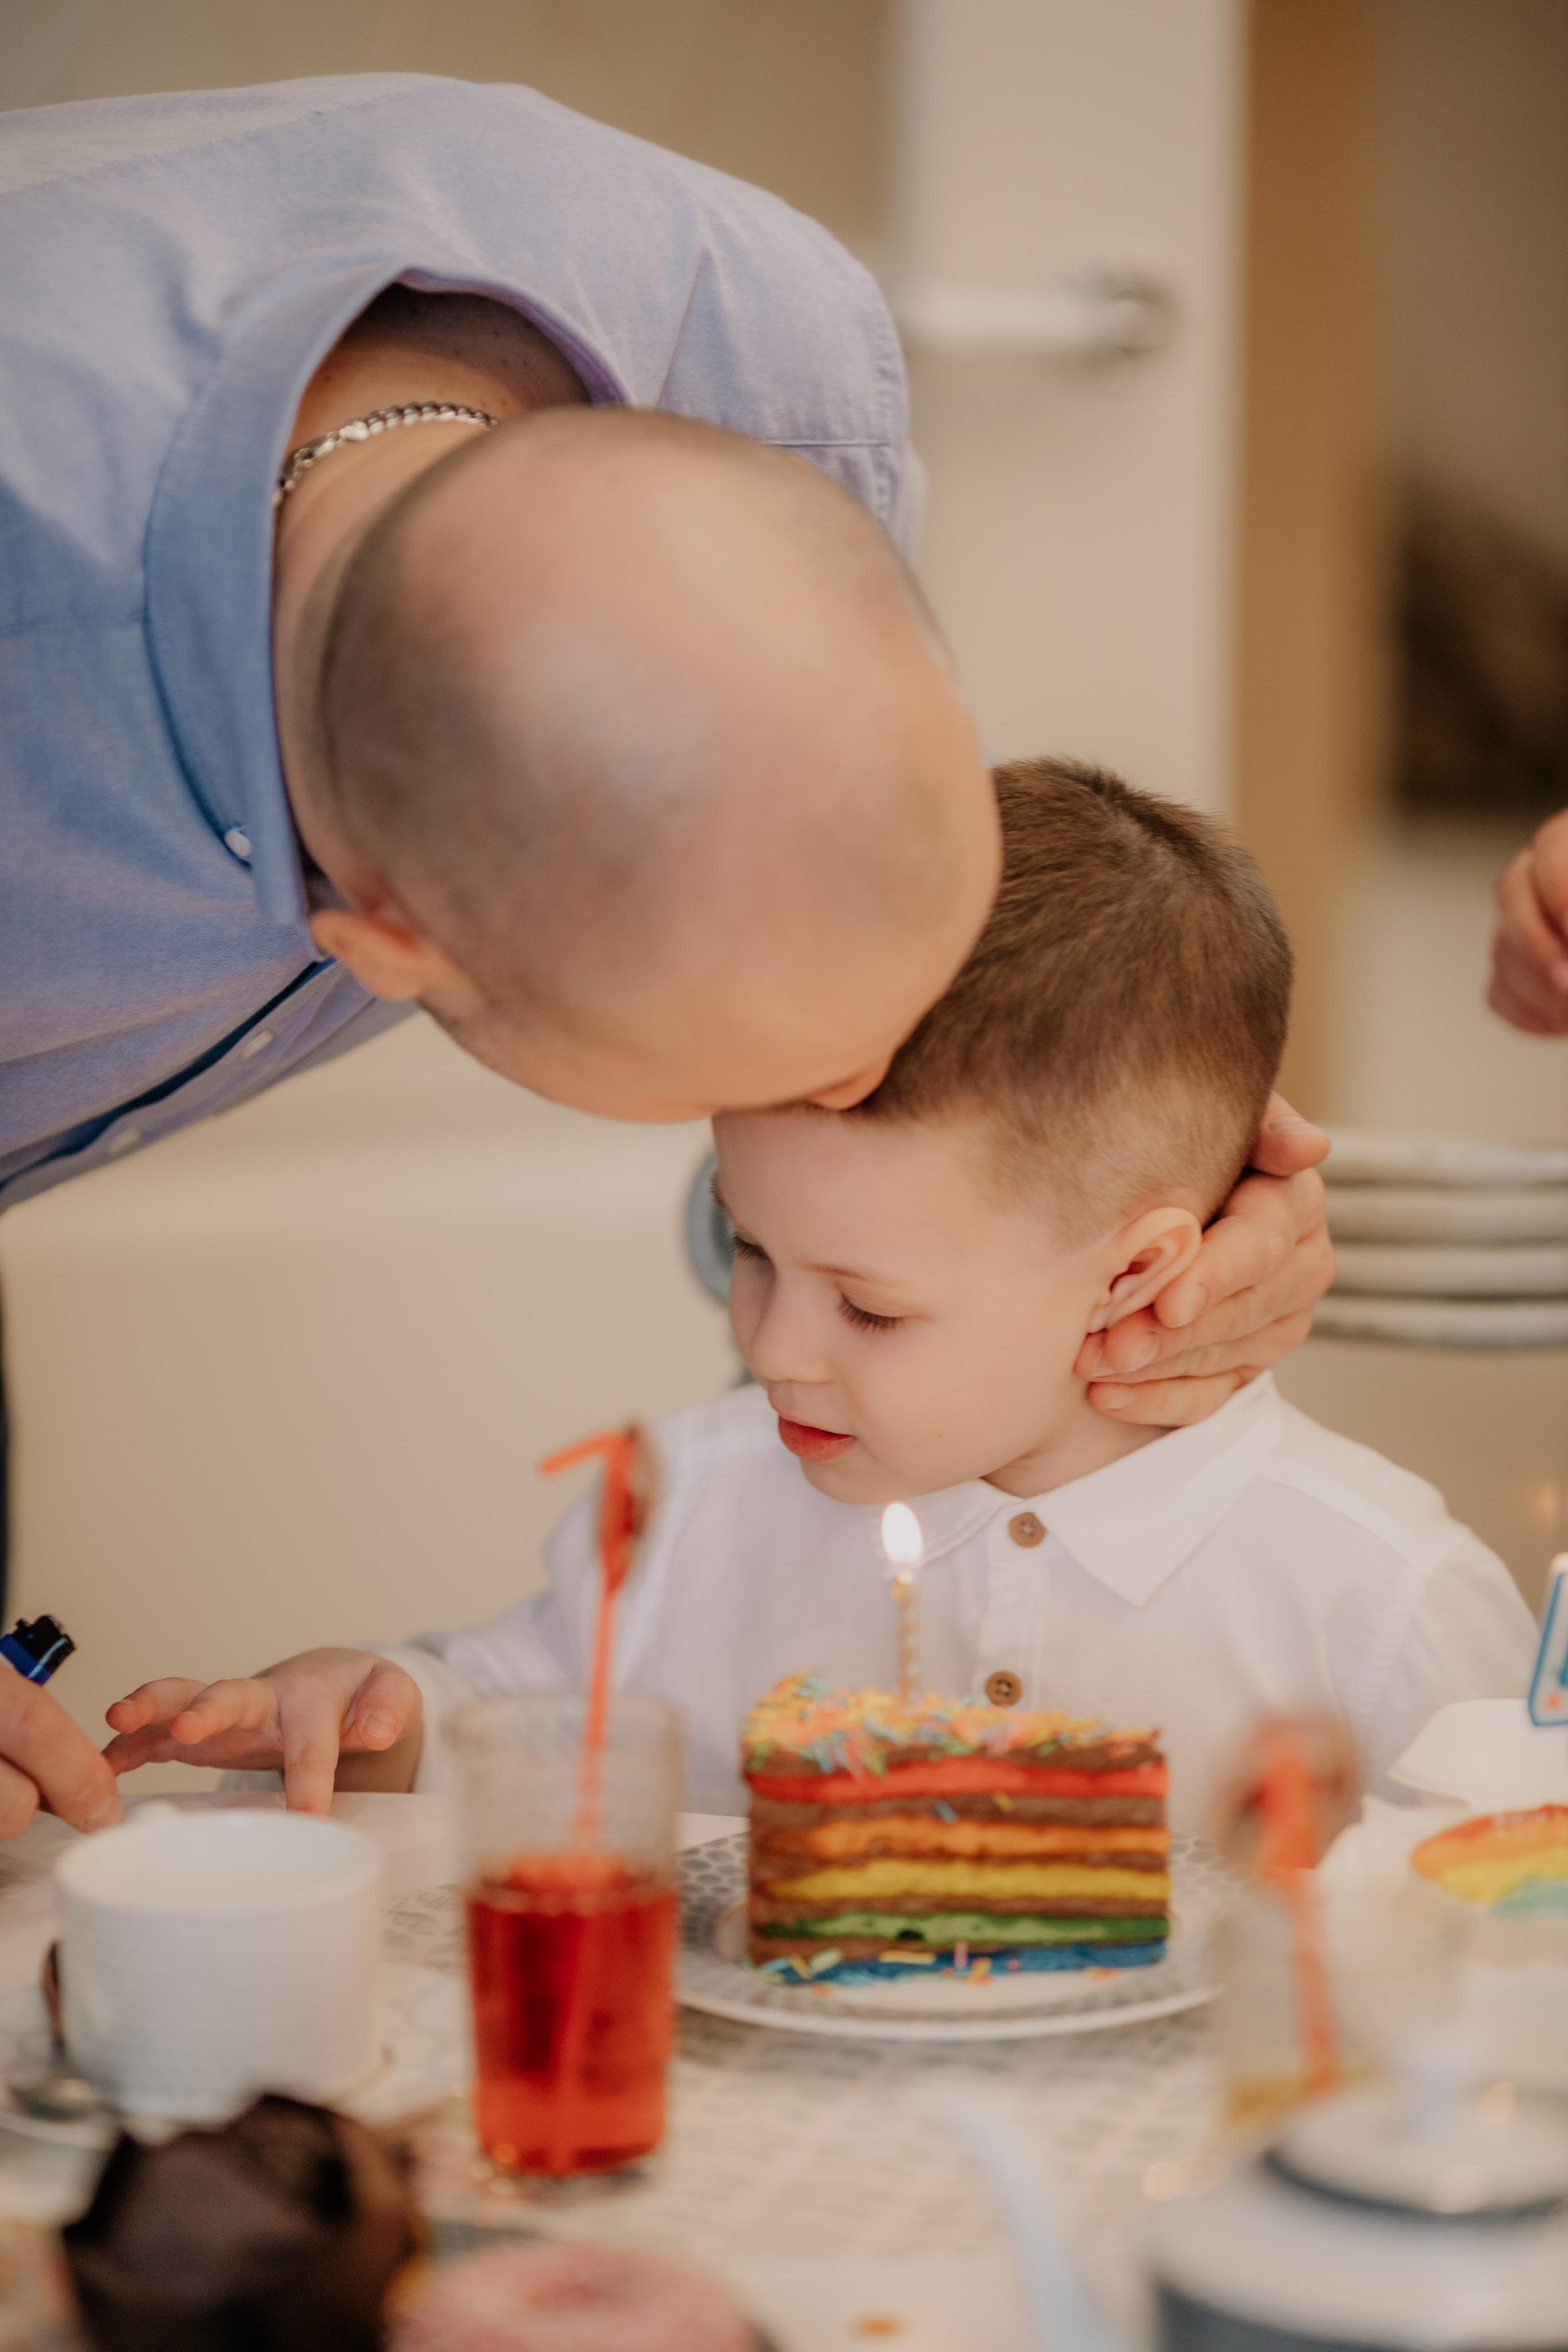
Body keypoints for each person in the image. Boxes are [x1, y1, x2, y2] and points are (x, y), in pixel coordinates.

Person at [1, 75, 1330, 1838]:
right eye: (750, 1099)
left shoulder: (756, 360)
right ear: (382, 943)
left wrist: (1126, 1144)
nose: (866, 1074)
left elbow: (833, 850)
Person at [105, 762, 1535, 1834]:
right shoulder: (684, 1507)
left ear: (1140, 1274)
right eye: (747, 1247)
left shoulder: (1376, 1601)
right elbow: (517, 1714)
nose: (772, 1347)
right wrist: (371, 1710)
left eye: (869, 1307)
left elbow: (1487, 1941)